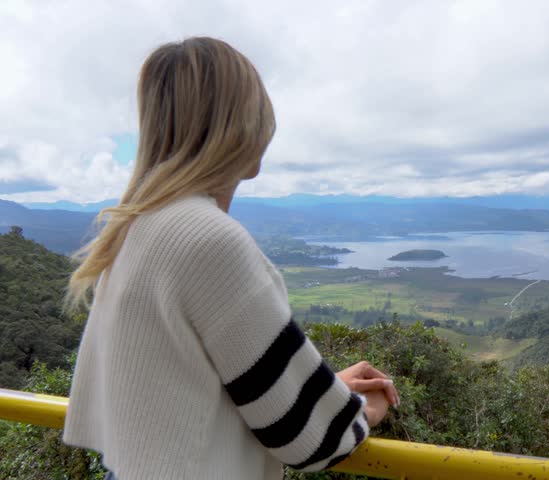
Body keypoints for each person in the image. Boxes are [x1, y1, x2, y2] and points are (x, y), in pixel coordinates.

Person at [62, 37, 399, 480]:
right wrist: (363, 409)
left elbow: (189, 393)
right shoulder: (209, 240)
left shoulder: (135, 227)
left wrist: (322, 390)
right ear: (245, 127)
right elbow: (312, 442)